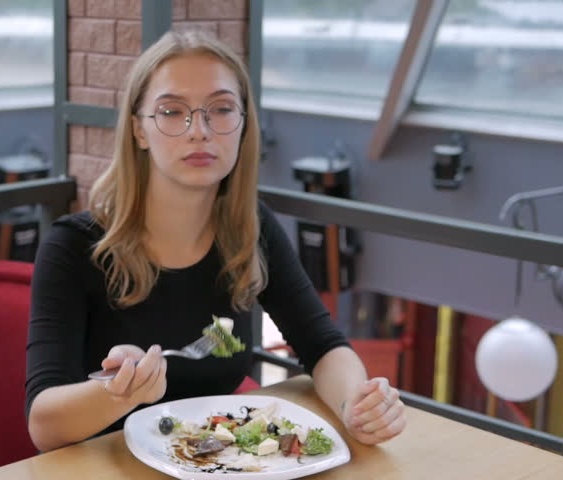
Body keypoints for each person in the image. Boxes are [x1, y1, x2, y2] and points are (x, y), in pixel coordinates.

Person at [25, 30, 406, 453]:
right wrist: (120, 394)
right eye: (172, 111)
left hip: (219, 463)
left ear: (243, 125)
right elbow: (44, 426)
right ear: (139, 131)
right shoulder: (74, 246)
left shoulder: (250, 227)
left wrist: (358, 403)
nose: (199, 131)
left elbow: (322, 345)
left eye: (221, 109)